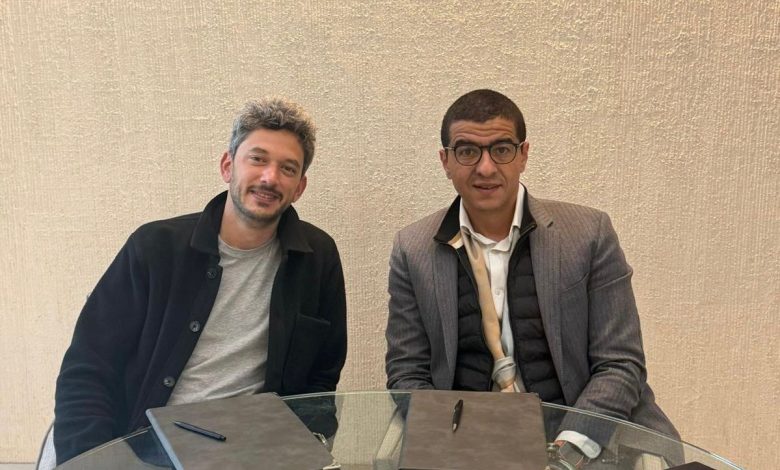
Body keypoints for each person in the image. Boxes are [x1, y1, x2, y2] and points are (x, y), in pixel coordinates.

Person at [385, 89, 677, 467]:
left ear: (523, 154)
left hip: (579, 437)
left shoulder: (589, 234)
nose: (485, 168)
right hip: (468, 443)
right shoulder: (412, 249)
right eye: (467, 151)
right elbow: (407, 372)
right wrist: (456, 446)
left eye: (502, 149)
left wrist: (565, 453)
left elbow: (620, 364)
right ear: (445, 161)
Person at [54, 98, 347, 464]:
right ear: (228, 166)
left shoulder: (317, 258)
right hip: (151, 454)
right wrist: (94, 462)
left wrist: (305, 450)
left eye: (287, 168)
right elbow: (88, 369)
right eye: (257, 159)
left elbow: (322, 378)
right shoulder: (155, 248)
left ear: (300, 187)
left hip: (260, 454)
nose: (270, 178)